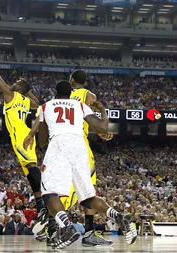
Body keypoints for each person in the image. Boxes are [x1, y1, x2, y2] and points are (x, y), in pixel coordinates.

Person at [26, 80, 137, 249]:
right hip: (79, 146)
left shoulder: (46, 106)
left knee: (49, 193)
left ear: (55, 93)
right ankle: (120, 216)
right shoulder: (80, 106)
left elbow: (41, 140)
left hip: (59, 145)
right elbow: (102, 127)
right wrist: (102, 111)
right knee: (87, 198)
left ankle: (67, 228)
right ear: (71, 93)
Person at [0, 43, 47, 225]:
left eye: (17, 83)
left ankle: (46, 199)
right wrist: (26, 89)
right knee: (30, 171)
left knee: (33, 169)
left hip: (20, 135)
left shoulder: (10, 94)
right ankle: (41, 205)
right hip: (27, 134)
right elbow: (39, 104)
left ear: (18, 88)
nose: (13, 83)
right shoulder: (26, 100)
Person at [61, 69, 114, 247]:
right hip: (80, 144)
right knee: (88, 188)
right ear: (84, 82)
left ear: (71, 80)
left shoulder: (63, 96)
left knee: (65, 186)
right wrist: (101, 130)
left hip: (62, 143)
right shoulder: (87, 94)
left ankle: (53, 227)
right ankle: (88, 232)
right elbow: (93, 115)